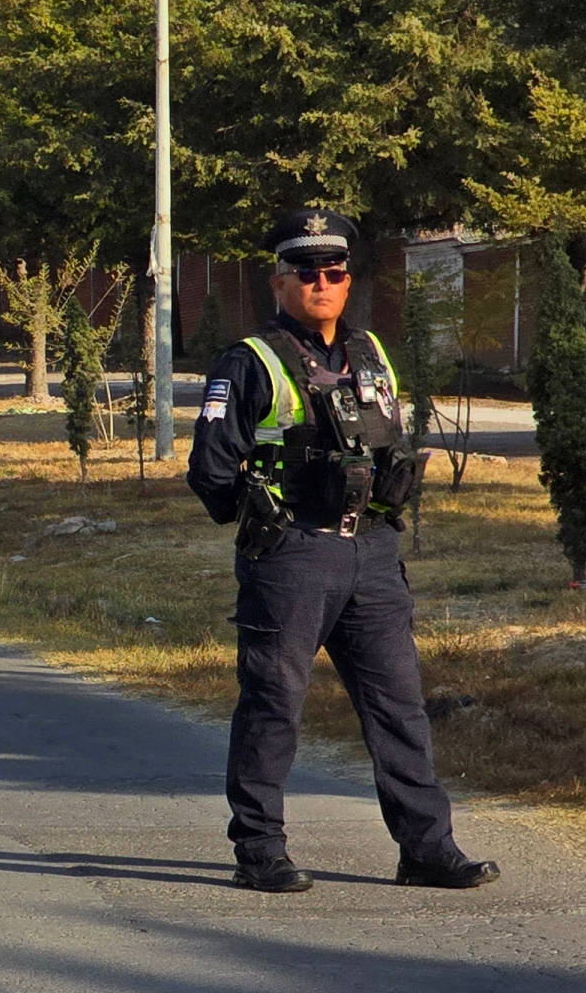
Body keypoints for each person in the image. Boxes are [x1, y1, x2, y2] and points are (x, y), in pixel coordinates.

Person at [184, 207, 498, 894]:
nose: (321, 283)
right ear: (279, 279)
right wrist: (264, 517)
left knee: (400, 707)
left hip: (373, 555)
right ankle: (259, 851)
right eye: (306, 272)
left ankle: (425, 849)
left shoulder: (370, 351)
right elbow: (210, 471)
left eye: (333, 272)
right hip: (292, 555)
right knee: (274, 705)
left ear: (348, 279)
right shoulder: (249, 361)